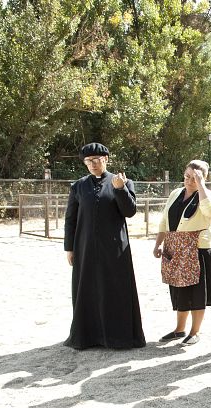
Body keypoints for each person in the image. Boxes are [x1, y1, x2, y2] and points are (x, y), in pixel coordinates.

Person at [63, 142, 146, 350]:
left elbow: (129, 212)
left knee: (115, 290)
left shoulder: (122, 181)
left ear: (106, 159)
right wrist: (69, 248)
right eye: (88, 161)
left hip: (114, 249)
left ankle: (118, 336)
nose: (93, 164)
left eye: (97, 160)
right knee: (87, 290)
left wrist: (120, 189)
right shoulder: (78, 186)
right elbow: (70, 219)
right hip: (85, 248)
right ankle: (89, 336)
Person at [153, 160, 211, 345]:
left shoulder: (208, 195)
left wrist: (201, 186)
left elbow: (210, 211)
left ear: (204, 178)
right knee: (179, 289)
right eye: (187, 176)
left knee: (197, 292)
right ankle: (179, 329)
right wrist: (158, 244)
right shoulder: (175, 193)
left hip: (198, 249)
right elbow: (164, 221)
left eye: (195, 178)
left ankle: (195, 332)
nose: (190, 181)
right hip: (175, 247)